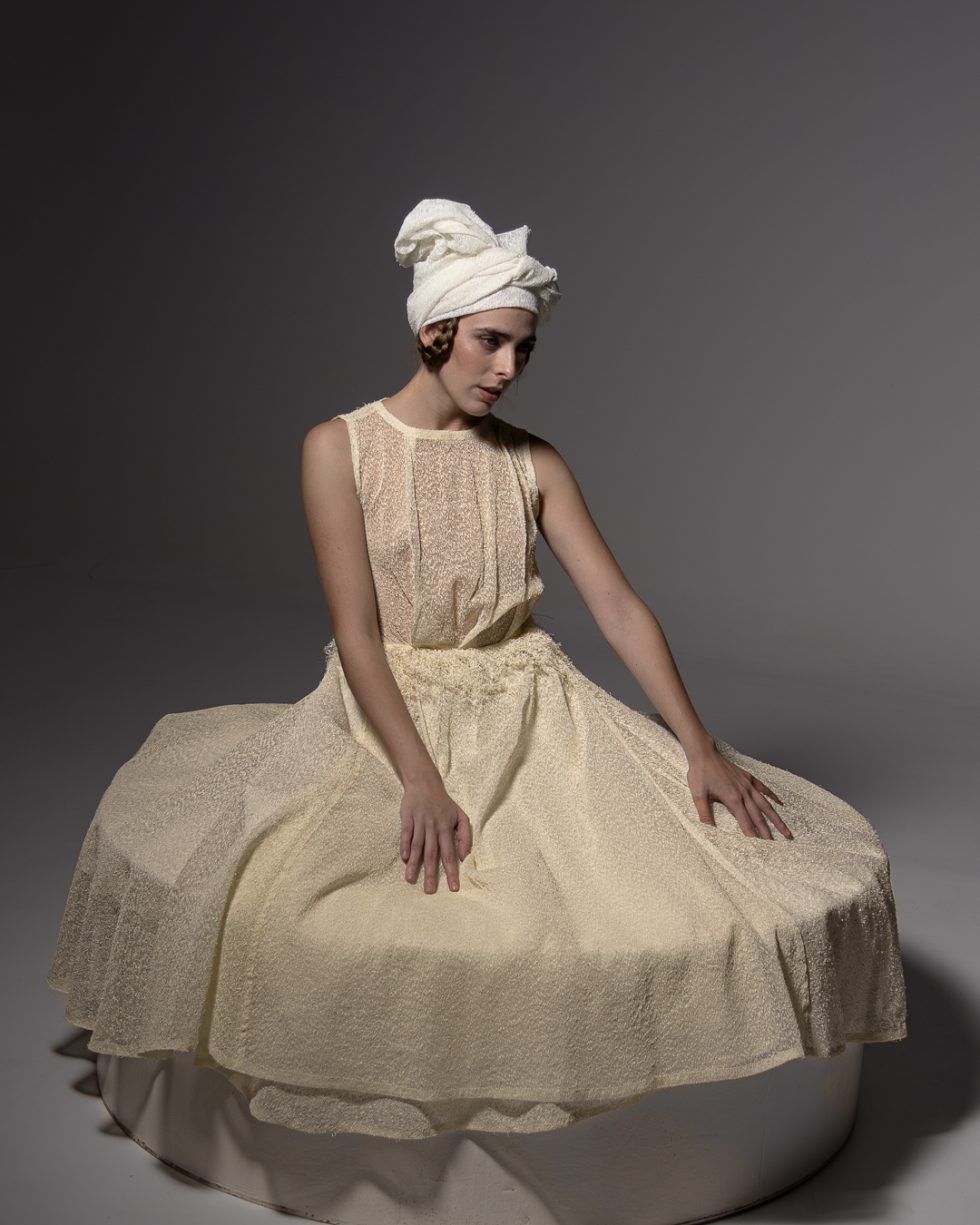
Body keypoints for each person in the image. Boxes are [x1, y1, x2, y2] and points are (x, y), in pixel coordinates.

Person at [48, 197, 907, 1142]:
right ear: (435, 329)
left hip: (533, 698)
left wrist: (698, 744)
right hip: (388, 703)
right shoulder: (339, 447)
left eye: (523, 351)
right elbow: (359, 632)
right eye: (491, 342)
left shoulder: (533, 460)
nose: (507, 369)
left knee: (644, 894)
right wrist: (419, 774)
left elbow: (618, 607)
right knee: (338, 904)